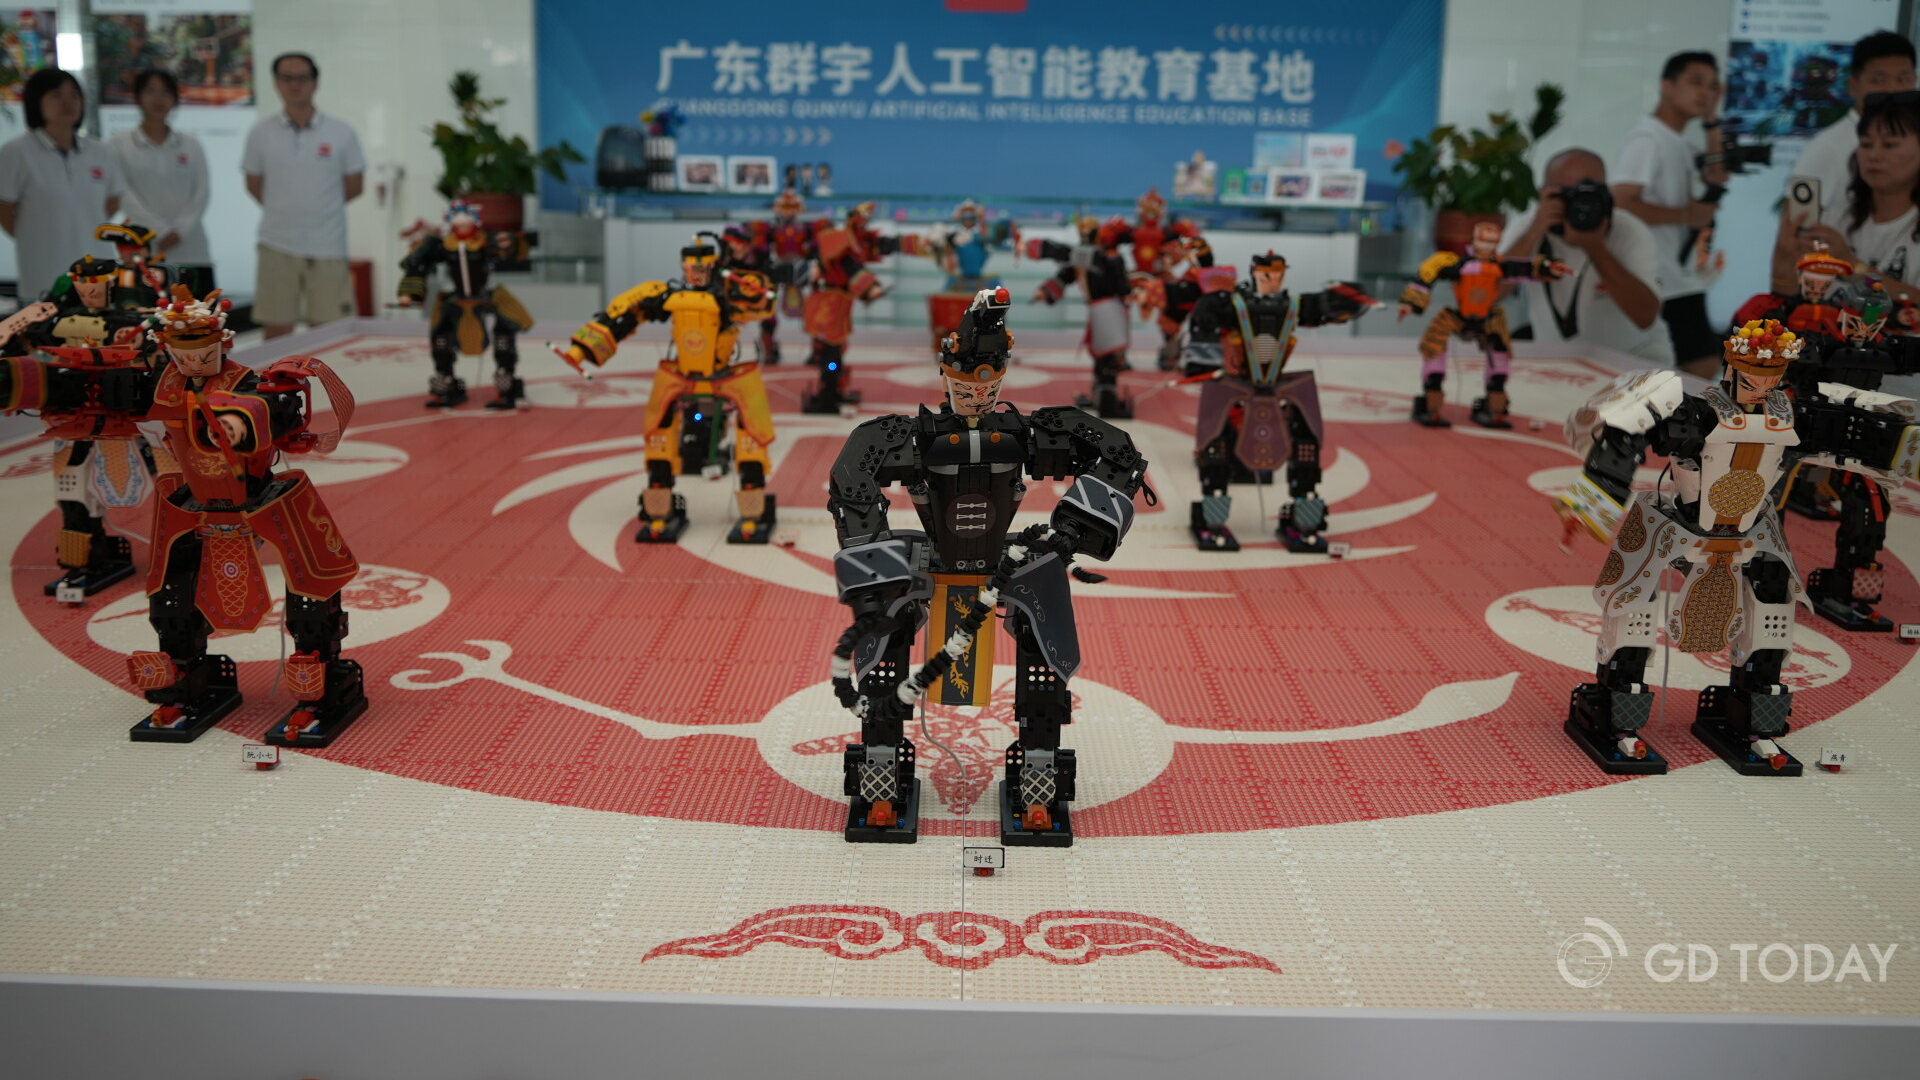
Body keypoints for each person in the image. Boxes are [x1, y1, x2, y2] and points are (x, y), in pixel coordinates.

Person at [1613, 51, 1730, 375]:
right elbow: (1620, 202)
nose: (1704, 92)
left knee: (1694, 371)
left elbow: (1718, 174)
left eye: (1712, 86)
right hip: (1660, 278)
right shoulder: (1647, 139)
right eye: (1696, 82)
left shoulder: (1676, 142)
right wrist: (1685, 216)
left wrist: (1711, 120)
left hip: (1678, 279)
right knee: (1697, 370)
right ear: (1666, 86)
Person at [1501, 149, 1669, 364]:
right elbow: (1486, 296)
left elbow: (1645, 317)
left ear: (1605, 195)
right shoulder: (1529, 226)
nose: (1579, 203)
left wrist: (1595, 247)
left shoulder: (1628, 229)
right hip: (1560, 362)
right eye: (1566, 193)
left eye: (1589, 193)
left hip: (1635, 359)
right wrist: (1533, 232)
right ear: (1544, 193)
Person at [242, 52, 365, 339]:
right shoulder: (261, 133)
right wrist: (288, 209)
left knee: (330, 331)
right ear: (276, 83)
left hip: (327, 245)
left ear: (315, 83)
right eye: (287, 78)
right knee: (277, 330)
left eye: (302, 78)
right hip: (277, 243)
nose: (295, 85)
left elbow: (355, 185)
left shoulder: (341, 132)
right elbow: (254, 184)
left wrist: (318, 208)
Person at [1773, 90, 1920, 304]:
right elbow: (1786, 303)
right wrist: (1784, 261)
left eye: (1890, 145)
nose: (1873, 155)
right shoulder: (1833, 221)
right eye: (1866, 144)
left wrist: (1852, 266)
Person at [0, 68, 125, 299]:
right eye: (56, 95)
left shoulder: (100, 151)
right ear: (36, 101)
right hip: (43, 274)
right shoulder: (16, 152)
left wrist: (82, 226)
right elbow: (5, 210)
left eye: (74, 95)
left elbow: (113, 200)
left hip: (97, 272)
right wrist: (37, 235)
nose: (67, 102)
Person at [1788, 32, 1916, 215]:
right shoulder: (1825, 148)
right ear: (1854, 86)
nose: (1892, 89)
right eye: (1879, 80)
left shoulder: (1914, 139)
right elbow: (1793, 227)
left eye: (1903, 79)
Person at [109, 69, 213, 295]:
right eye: (150, 91)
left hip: (192, 250)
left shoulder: (191, 144)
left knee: (200, 315)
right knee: (149, 316)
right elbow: (124, 194)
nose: (158, 99)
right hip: (144, 251)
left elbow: (201, 193)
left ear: (174, 99)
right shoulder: (119, 144)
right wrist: (160, 231)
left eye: (165, 93)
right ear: (137, 97)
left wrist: (180, 231)